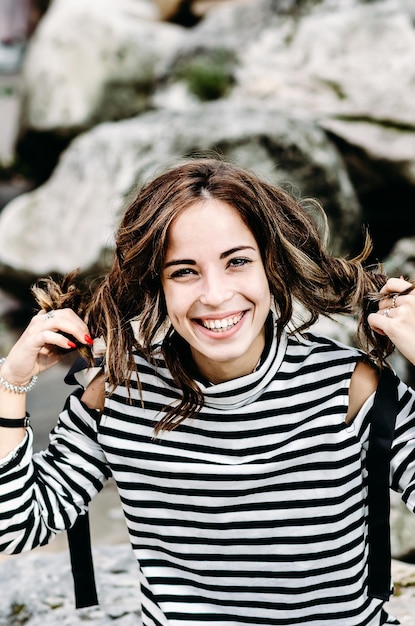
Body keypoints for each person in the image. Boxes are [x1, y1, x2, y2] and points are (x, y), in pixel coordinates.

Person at [0, 157, 415, 626]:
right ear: (156, 284)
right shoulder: (118, 394)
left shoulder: (353, 389)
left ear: (269, 265)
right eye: (184, 271)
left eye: (237, 261)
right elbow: (15, 529)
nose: (215, 294)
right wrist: (11, 383)